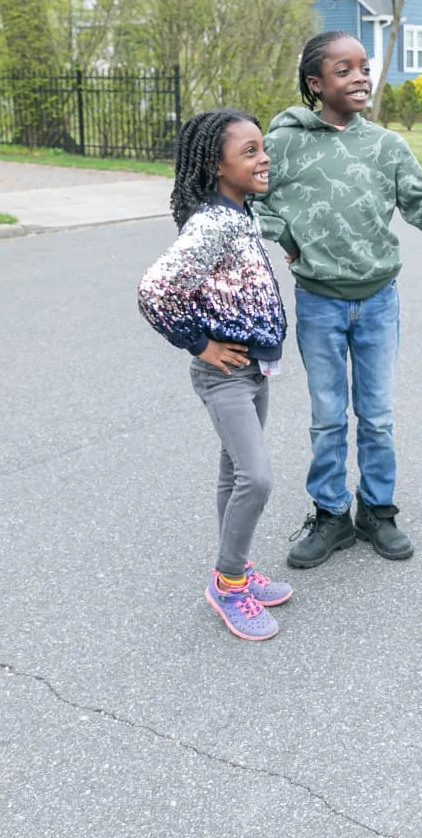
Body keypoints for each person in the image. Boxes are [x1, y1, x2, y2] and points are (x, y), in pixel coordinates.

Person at [254, 31, 422, 569]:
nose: (360, 77)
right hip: (319, 304)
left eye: (364, 67)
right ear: (316, 84)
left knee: (378, 416)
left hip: (379, 302)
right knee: (327, 417)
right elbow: (253, 201)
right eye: (344, 70)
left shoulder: (388, 147)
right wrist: (289, 239)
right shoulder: (287, 142)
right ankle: (331, 515)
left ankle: (378, 512)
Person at [137, 108, 293, 642]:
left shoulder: (240, 213)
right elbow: (156, 290)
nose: (263, 157)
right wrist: (200, 345)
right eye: (249, 151)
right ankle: (228, 584)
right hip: (224, 375)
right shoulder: (211, 223)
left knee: (234, 475)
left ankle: (240, 565)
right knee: (257, 477)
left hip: (253, 370)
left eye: (262, 147)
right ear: (215, 163)